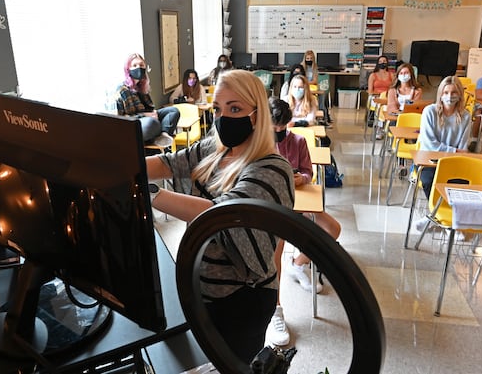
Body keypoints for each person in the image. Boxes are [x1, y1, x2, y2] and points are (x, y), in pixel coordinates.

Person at [145, 69, 294, 363]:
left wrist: (149, 193)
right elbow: (168, 163)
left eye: (235, 108)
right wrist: (122, 164)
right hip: (201, 285)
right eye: (218, 108)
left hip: (241, 300)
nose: (223, 117)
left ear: (257, 115)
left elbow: (220, 213)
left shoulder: (273, 169)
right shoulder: (216, 148)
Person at [265, 98, 341, 347]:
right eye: (273, 128)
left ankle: (299, 263)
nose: (278, 133)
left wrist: (301, 178)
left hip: (299, 200)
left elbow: (309, 172)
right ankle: (276, 310)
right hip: (275, 207)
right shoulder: (260, 143)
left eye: (282, 129)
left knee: (333, 229)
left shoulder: (297, 142)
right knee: (276, 248)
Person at [417, 76, 471, 200]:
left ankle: (452, 214)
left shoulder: (466, 116)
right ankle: (436, 213)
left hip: (453, 161)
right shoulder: (429, 111)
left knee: (463, 183)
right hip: (429, 160)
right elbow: (430, 144)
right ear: (440, 94)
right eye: (446, 92)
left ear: (460, 95)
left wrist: (456, 153)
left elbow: (463, 147)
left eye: (454, 92)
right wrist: (454, 151)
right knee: (428, 181)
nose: (449, 96)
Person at [113, 53, 180, 148]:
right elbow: (120, 120)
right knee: (151, 123)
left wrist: (153, 113)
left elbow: (149, 108)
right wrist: (144, 115)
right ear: (128, 69)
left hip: (148, 120)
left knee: (173, 111)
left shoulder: (142, 87)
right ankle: (158, 134)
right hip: (134, 126)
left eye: (141, 65)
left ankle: (163, 135)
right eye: (134, 65)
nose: (138, 68)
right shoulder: (122, 90)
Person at [367, 55, 395, 137]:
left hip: (388, 97)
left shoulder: (391, 75)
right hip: (375, 98)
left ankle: (387, 127)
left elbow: (394, 88)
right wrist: (379, 96)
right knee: (382, 107)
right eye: (380, 61)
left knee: (388, 106)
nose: (382, 63)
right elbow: (370, 91)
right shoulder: (373, 75)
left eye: (384, 61)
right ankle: (379, 128)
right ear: (377, 63)